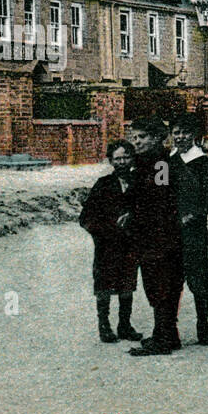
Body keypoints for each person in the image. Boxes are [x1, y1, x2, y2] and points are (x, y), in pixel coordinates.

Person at [126, 117, 184, 356]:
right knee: (158, 285)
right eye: (135, 137)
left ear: (156, 138)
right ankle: (168, 335)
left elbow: (159, 199)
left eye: (142, 137)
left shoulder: (160, 164)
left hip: (159, 236)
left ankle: (164, 338)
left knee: (160, 286)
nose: (136, 141)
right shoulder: (143, 163)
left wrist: (135, 215)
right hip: (151, 234)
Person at [79, 140, 143, 343]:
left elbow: (148, 210)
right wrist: (106, 230)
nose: (122, 162)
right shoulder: (103, 185)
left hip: (130, 245)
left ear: (132, 159)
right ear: (111, 161)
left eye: (126, 157)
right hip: (107, 246)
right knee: (104, 285)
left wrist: (133, 217)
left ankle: (124, 325)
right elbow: (86, 218)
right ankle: (104, 326)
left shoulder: (139, 183)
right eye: (117, 158)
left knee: (127, 285)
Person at [170, 113, 208, 346]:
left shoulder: (203, 163)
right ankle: (170, 329)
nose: (180, 137)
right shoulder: (166, 162)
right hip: (170, 232)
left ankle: (203, 325)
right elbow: (160, 193)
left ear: (194, 136)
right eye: (176, 132)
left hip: (194, 232)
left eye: (185, 132)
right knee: (171, 281)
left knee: (198, 279)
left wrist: (192, 215)